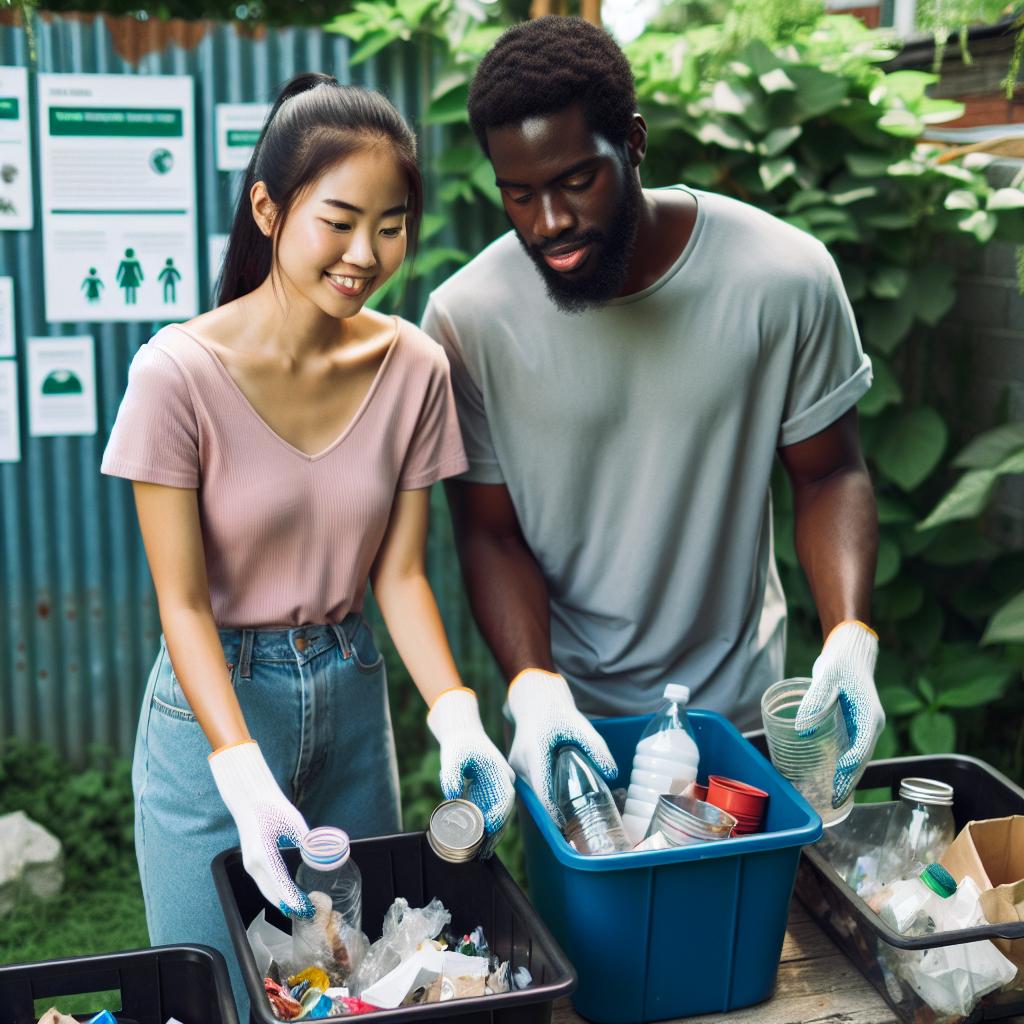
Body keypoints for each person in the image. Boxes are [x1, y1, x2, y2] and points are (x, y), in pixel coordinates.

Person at [101, 73, 514, 1015]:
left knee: (359, 987)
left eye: (391, 224)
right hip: (213, 719)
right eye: (338, 220)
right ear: (268, 208)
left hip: (350, 701)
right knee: (210, 997)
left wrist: (455, 715)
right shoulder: (176, 375)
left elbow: (401, 575)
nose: (365, 253)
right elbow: (182, 603)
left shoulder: (415, 367)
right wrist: (238, 771)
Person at [421, 17, 883, 822]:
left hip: (739, 725)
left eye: (575, 181)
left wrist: (850, 635)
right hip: (571, 733)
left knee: (756, 946)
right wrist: (533, 691)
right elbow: (488, 533)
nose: (549, 223)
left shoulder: (783, 276)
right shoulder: (469, 317)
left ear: (632, 143)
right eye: (518, 194)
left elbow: (830, 471)